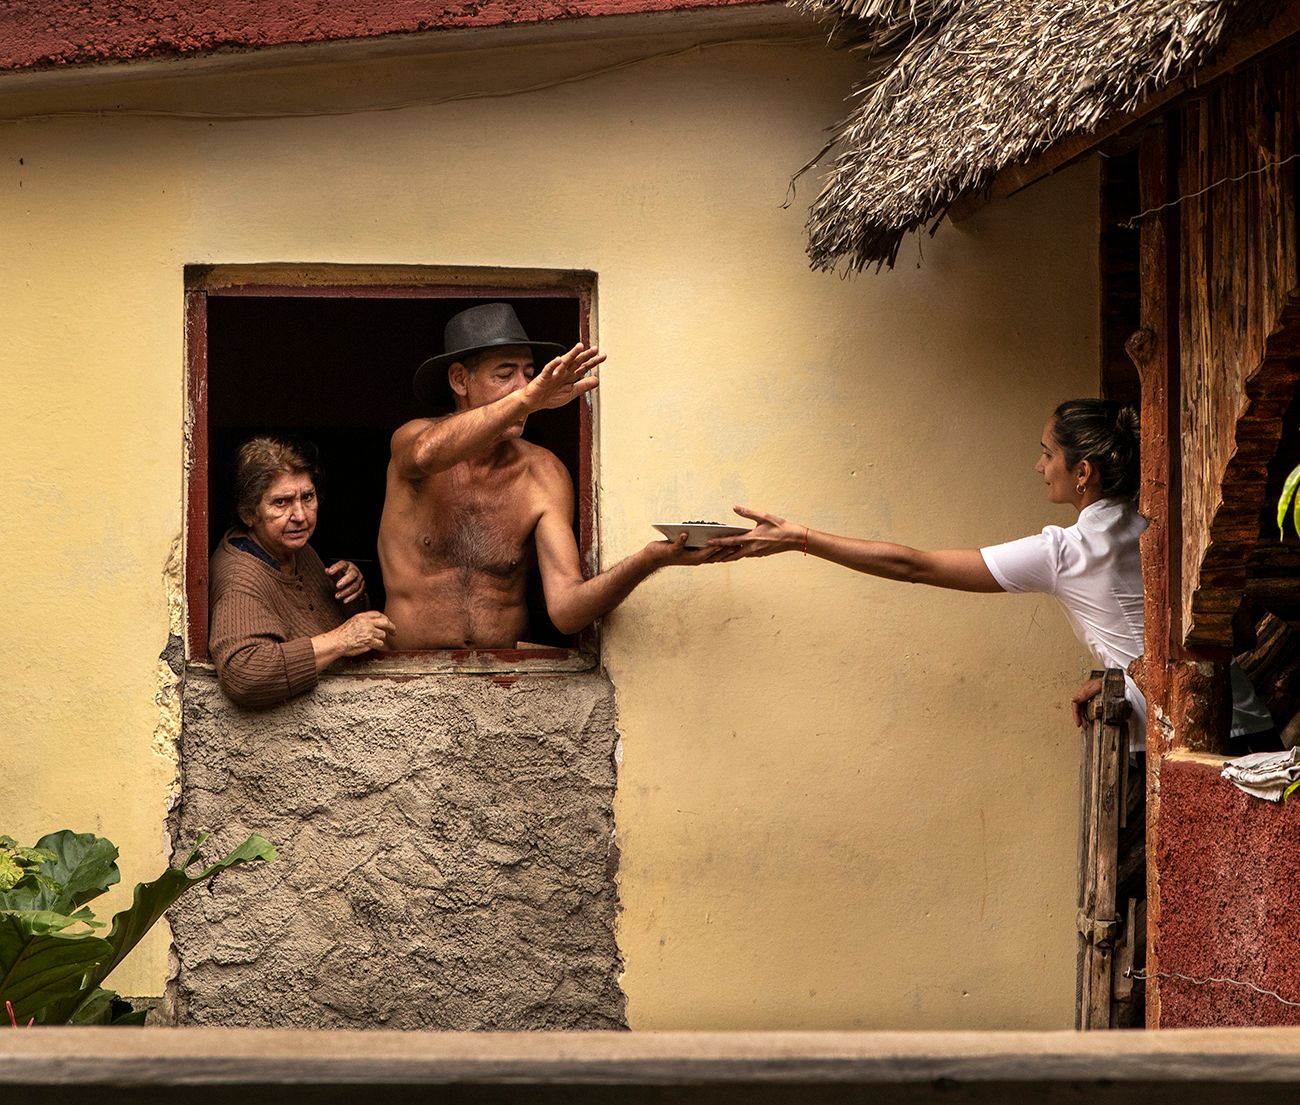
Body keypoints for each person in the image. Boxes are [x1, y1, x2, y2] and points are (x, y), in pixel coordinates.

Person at [708, 399, 1275, 751]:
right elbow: (1203, 634)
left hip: (1192, 746)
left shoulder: (1067, 551)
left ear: (1082, 473)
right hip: (1250, 722)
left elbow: (914, 565)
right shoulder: (1164, 528)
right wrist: (1119, 678)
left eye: (1046, 453)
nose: (1038, 466)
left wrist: (799, 538)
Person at [379, 302, 721, 650]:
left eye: (529, 373)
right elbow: (425, 454)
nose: (525, 384)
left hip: (508, 679)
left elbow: (567, 612)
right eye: (504, 374)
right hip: (408, 677)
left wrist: (651, 558)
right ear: (459, 380)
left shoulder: (543, 472)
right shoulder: (413, 439)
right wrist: (527, 399)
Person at [209, 436, 396, 707]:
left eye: (307, 497)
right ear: (249, 513)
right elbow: (245, 674)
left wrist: (353, 593)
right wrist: (341, 639)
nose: (300, 515)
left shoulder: (296, 549)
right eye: (281, 503)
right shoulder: (240, 577)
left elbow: (322, 622)